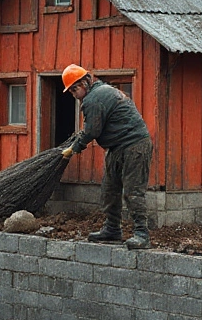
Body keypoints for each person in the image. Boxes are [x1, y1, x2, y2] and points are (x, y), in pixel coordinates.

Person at [59, 64, 154, 250]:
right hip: (116, 147)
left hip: (135, 145)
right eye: (70, 91)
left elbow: (92, 130)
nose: (74, 94)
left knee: (133, 191)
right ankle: (112, 229)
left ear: (85, 82)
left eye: (74, 89)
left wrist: (74, 148)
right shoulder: (98, 93)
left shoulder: (94, 98)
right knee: (109, 189)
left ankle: (142, 234)